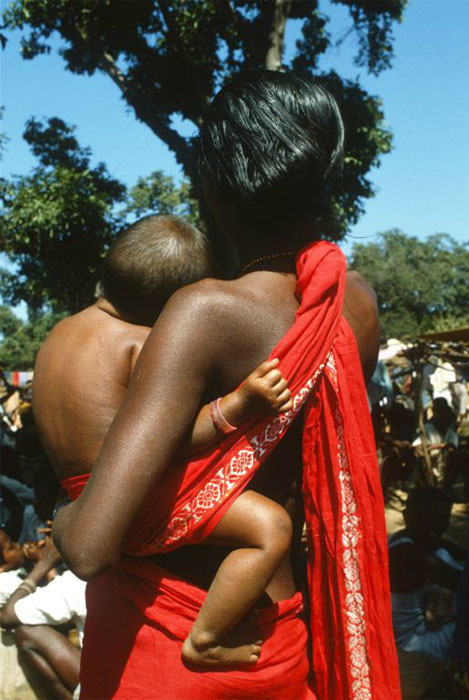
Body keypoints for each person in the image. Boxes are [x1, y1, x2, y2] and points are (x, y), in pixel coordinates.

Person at [53, 71, 400, 699]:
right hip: (280, 642)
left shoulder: (205, 312)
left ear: (215, 190)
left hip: (168, 652)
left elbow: (89, 549)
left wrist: (60, 518)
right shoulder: (357, 307)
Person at [33, 212, 295, 668]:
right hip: (129, 504)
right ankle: (207, 639)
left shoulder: (59, 334)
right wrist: (235, 406)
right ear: (171, 307)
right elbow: (163, 440)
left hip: (83, 495)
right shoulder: (139, 347)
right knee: (270, 529)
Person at [0, 533, 86, 700]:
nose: (20, 546)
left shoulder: (75, 582)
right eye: (10, 547)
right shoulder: (6, 583)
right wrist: (46, 562)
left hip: (103, 682)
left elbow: (8, 615)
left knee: (27, 633)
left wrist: (45, 562)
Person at [388, 487, 466, 661]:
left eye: (444, 520)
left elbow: (459, 552)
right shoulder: (408, 553)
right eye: (433, 519)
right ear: (412, 517)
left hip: (420, 632)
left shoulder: (411, 538)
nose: (440, 526)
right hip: (412, 645)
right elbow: (463, 582)